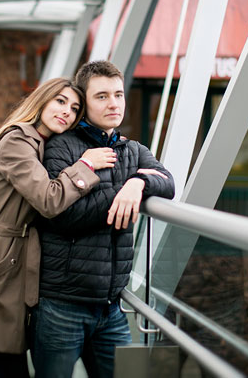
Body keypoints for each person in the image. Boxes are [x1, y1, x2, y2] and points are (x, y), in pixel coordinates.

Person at [0, 77, 117, 378]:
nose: (66, 112)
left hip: (22, 260)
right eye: (60, 101)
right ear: (41, 100)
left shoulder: (43, 143)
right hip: (5, 260)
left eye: (74, 108)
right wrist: (86, 165)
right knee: (8, 360)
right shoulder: (17, 141)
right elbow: (49, 198)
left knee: (8, 363)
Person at [30, 61, 175, 378]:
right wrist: (121, 191)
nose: (113, 103)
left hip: (112, 307)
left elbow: (167, 182)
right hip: (61, 306)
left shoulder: (132, 150)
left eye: (119, 95)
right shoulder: (61, 146)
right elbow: (63, 215)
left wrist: (139, 184)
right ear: (84, 102)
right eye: (102, 96)